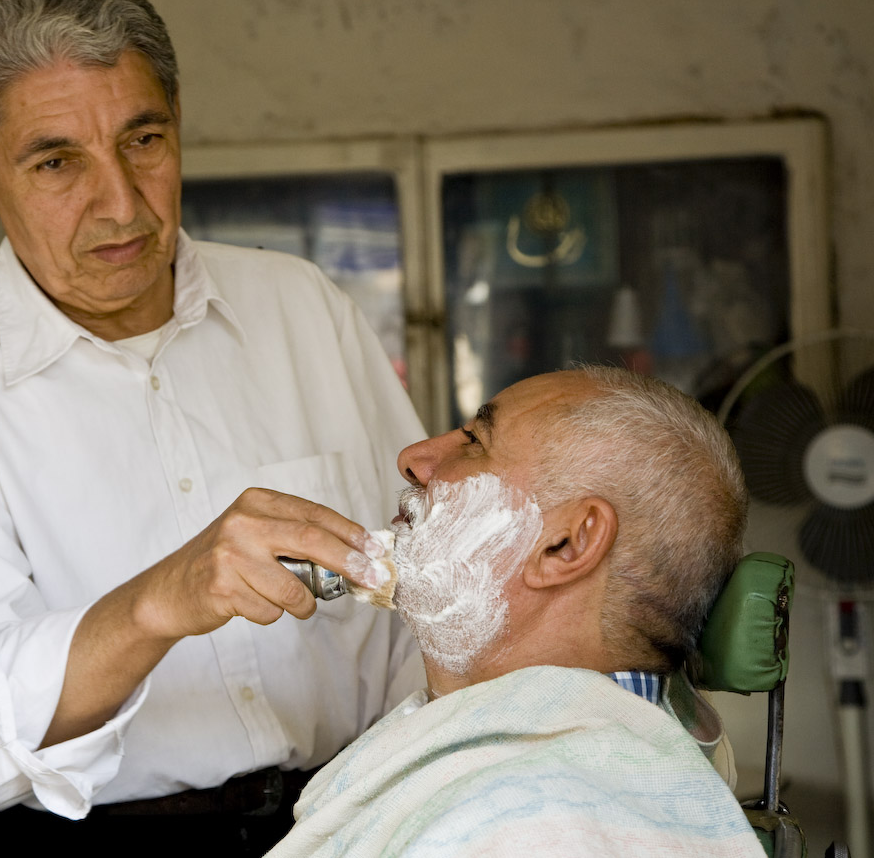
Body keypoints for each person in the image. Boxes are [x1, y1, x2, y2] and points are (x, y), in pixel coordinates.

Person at [0, 0, 424, 856]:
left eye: (143, 142)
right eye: (55, 161)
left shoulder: (302, 308)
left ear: (179, 127)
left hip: (346, 819)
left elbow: (418, 577)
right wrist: (160, 602)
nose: (119, 204)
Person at [268, 365, 767, 858]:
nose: (413, 458)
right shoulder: (586, 783)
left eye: (474, 441)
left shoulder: (534, 831)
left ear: (565, 546)